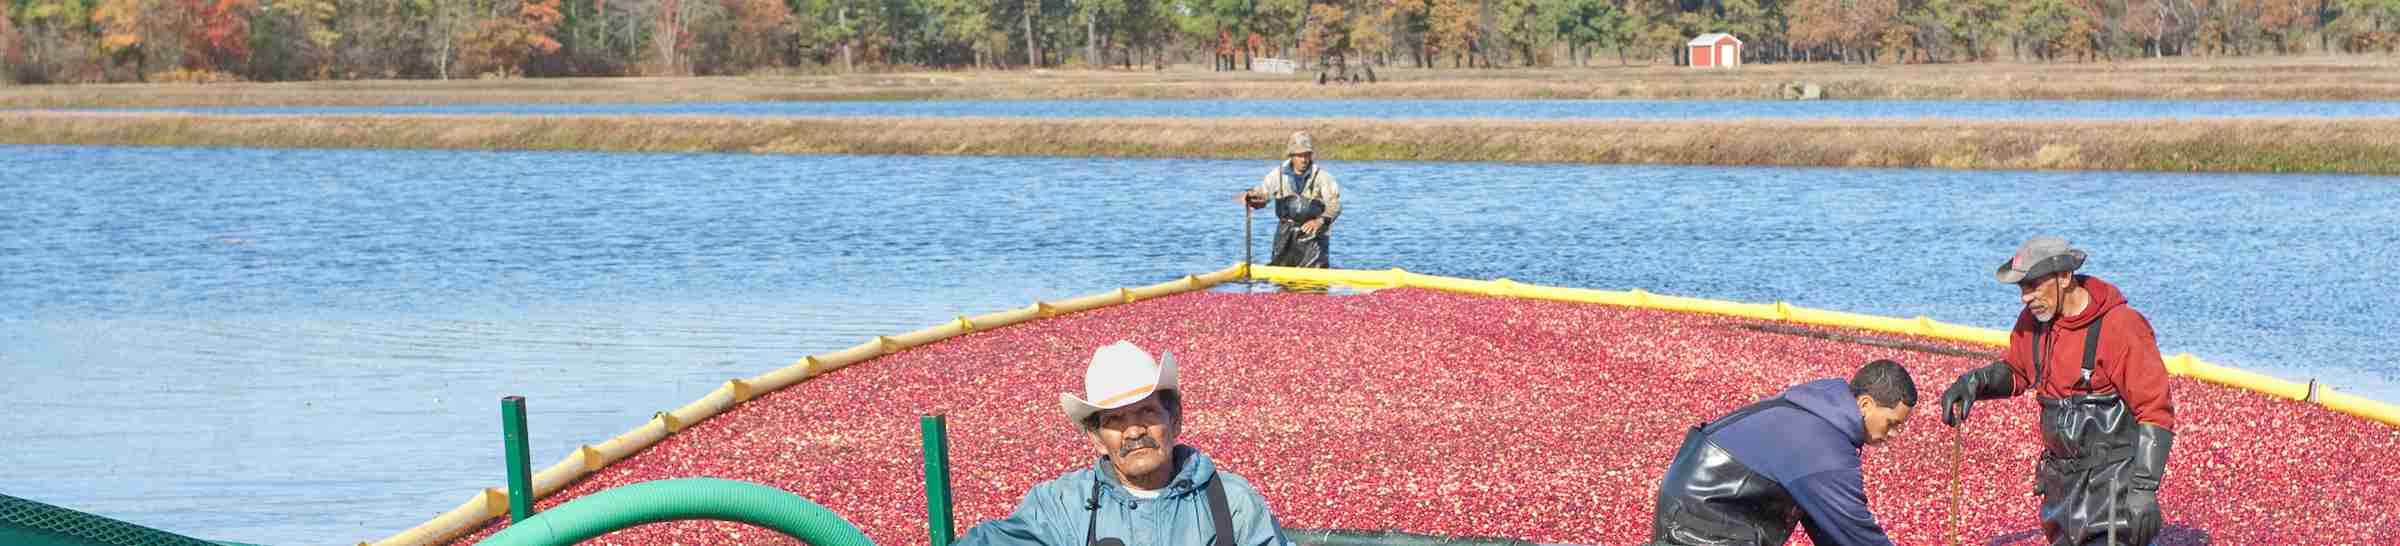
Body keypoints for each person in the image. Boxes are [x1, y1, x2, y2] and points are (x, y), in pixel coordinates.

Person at [1939, 235, 2176, 546]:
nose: (2025, 297)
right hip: (2060, 491)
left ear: (2065, 277)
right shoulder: (2034, 323)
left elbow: (2155, 411)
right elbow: (2017, 371)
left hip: (2112, 492)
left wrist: (2144, 489)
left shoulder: (2122, 326)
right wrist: (1974, 383)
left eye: (2034, 285)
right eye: (2021, 288)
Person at [956, 341, 1293, 546]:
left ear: (1174, 419)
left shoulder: (1232, 502)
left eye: (1146, 412)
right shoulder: (1061, 505)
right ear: (1096, 438)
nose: (1133, 432)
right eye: (1115, 420)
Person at [1649, 359, 1918, 546]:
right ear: (1866, 404)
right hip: (1701, 522)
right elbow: (1856, 531)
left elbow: (1829, 526)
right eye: (1892, 423)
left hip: (1689, 501)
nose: (1894, 434)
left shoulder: (1817, 407)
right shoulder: (1826, 447)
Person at [1239, 131, 1342, 268]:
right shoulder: (1277, 175)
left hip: (1314, 239)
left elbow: (1335, 206)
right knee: (1281, 283)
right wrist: (1252, 198)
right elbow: (1263, 196)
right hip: (1284, 236)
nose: (1304, 160)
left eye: (1307, 155)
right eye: (1299, 155)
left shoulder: (1323, 177)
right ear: (1291, 156)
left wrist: (1320, 221)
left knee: (1315, 286)